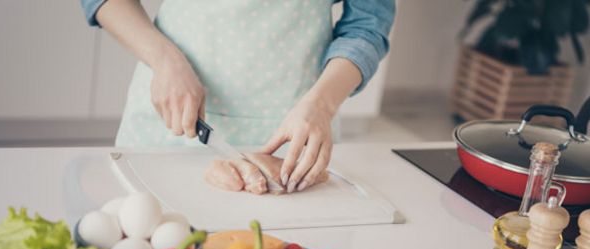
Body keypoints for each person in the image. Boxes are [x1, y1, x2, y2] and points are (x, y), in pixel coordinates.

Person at [80, 0, 394, 193]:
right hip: (169, 118)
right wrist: (164, 60)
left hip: (292, 136)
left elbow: (368, 23)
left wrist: (322, 105)